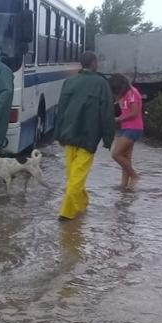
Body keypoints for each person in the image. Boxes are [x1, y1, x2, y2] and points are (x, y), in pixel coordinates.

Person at [55, 51, 116, 221]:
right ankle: (80, 206)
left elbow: (60, 110)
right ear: (94, 63)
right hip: (88, 137)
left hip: (69, 135)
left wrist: (58, 133)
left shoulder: (69, 82)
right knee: (76, 177)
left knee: (74, 175)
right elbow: (107, 113)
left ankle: (67, 212)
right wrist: (108, 138)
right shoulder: (101, 84)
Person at [109, 74, 144, 190]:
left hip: (133, 128)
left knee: (116, 154)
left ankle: (134, 176)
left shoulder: (132, 93)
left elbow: (135, 112)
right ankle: (124, 185)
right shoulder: (126, 93)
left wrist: (119, 119)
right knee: (125, 158)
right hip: (127, 127)